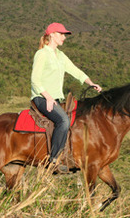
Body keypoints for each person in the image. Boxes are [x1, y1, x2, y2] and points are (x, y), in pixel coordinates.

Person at [31, 22, 101, 173]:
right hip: (41, 98)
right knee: (63, 120)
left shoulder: (60, 55)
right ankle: (53, 162)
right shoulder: (41, 54)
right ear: (52, 35)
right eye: (61, 34)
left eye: (64, 34)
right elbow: (35, 80)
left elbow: (75, 71)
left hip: (55, 99)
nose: (64, 37)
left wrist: (90, 82)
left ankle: (69, 156)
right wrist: (48, 98)